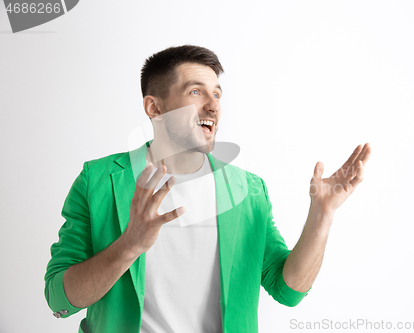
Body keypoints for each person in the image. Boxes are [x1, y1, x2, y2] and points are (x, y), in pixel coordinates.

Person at [44, 45, 372, 333]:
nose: (213, 106)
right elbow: (59, 298)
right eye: (196, 92)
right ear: (154, 108)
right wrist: (129, 245)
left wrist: (322, 215)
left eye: (217, 94)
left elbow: (288, 289)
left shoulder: (248, 190)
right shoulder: (98, 180)